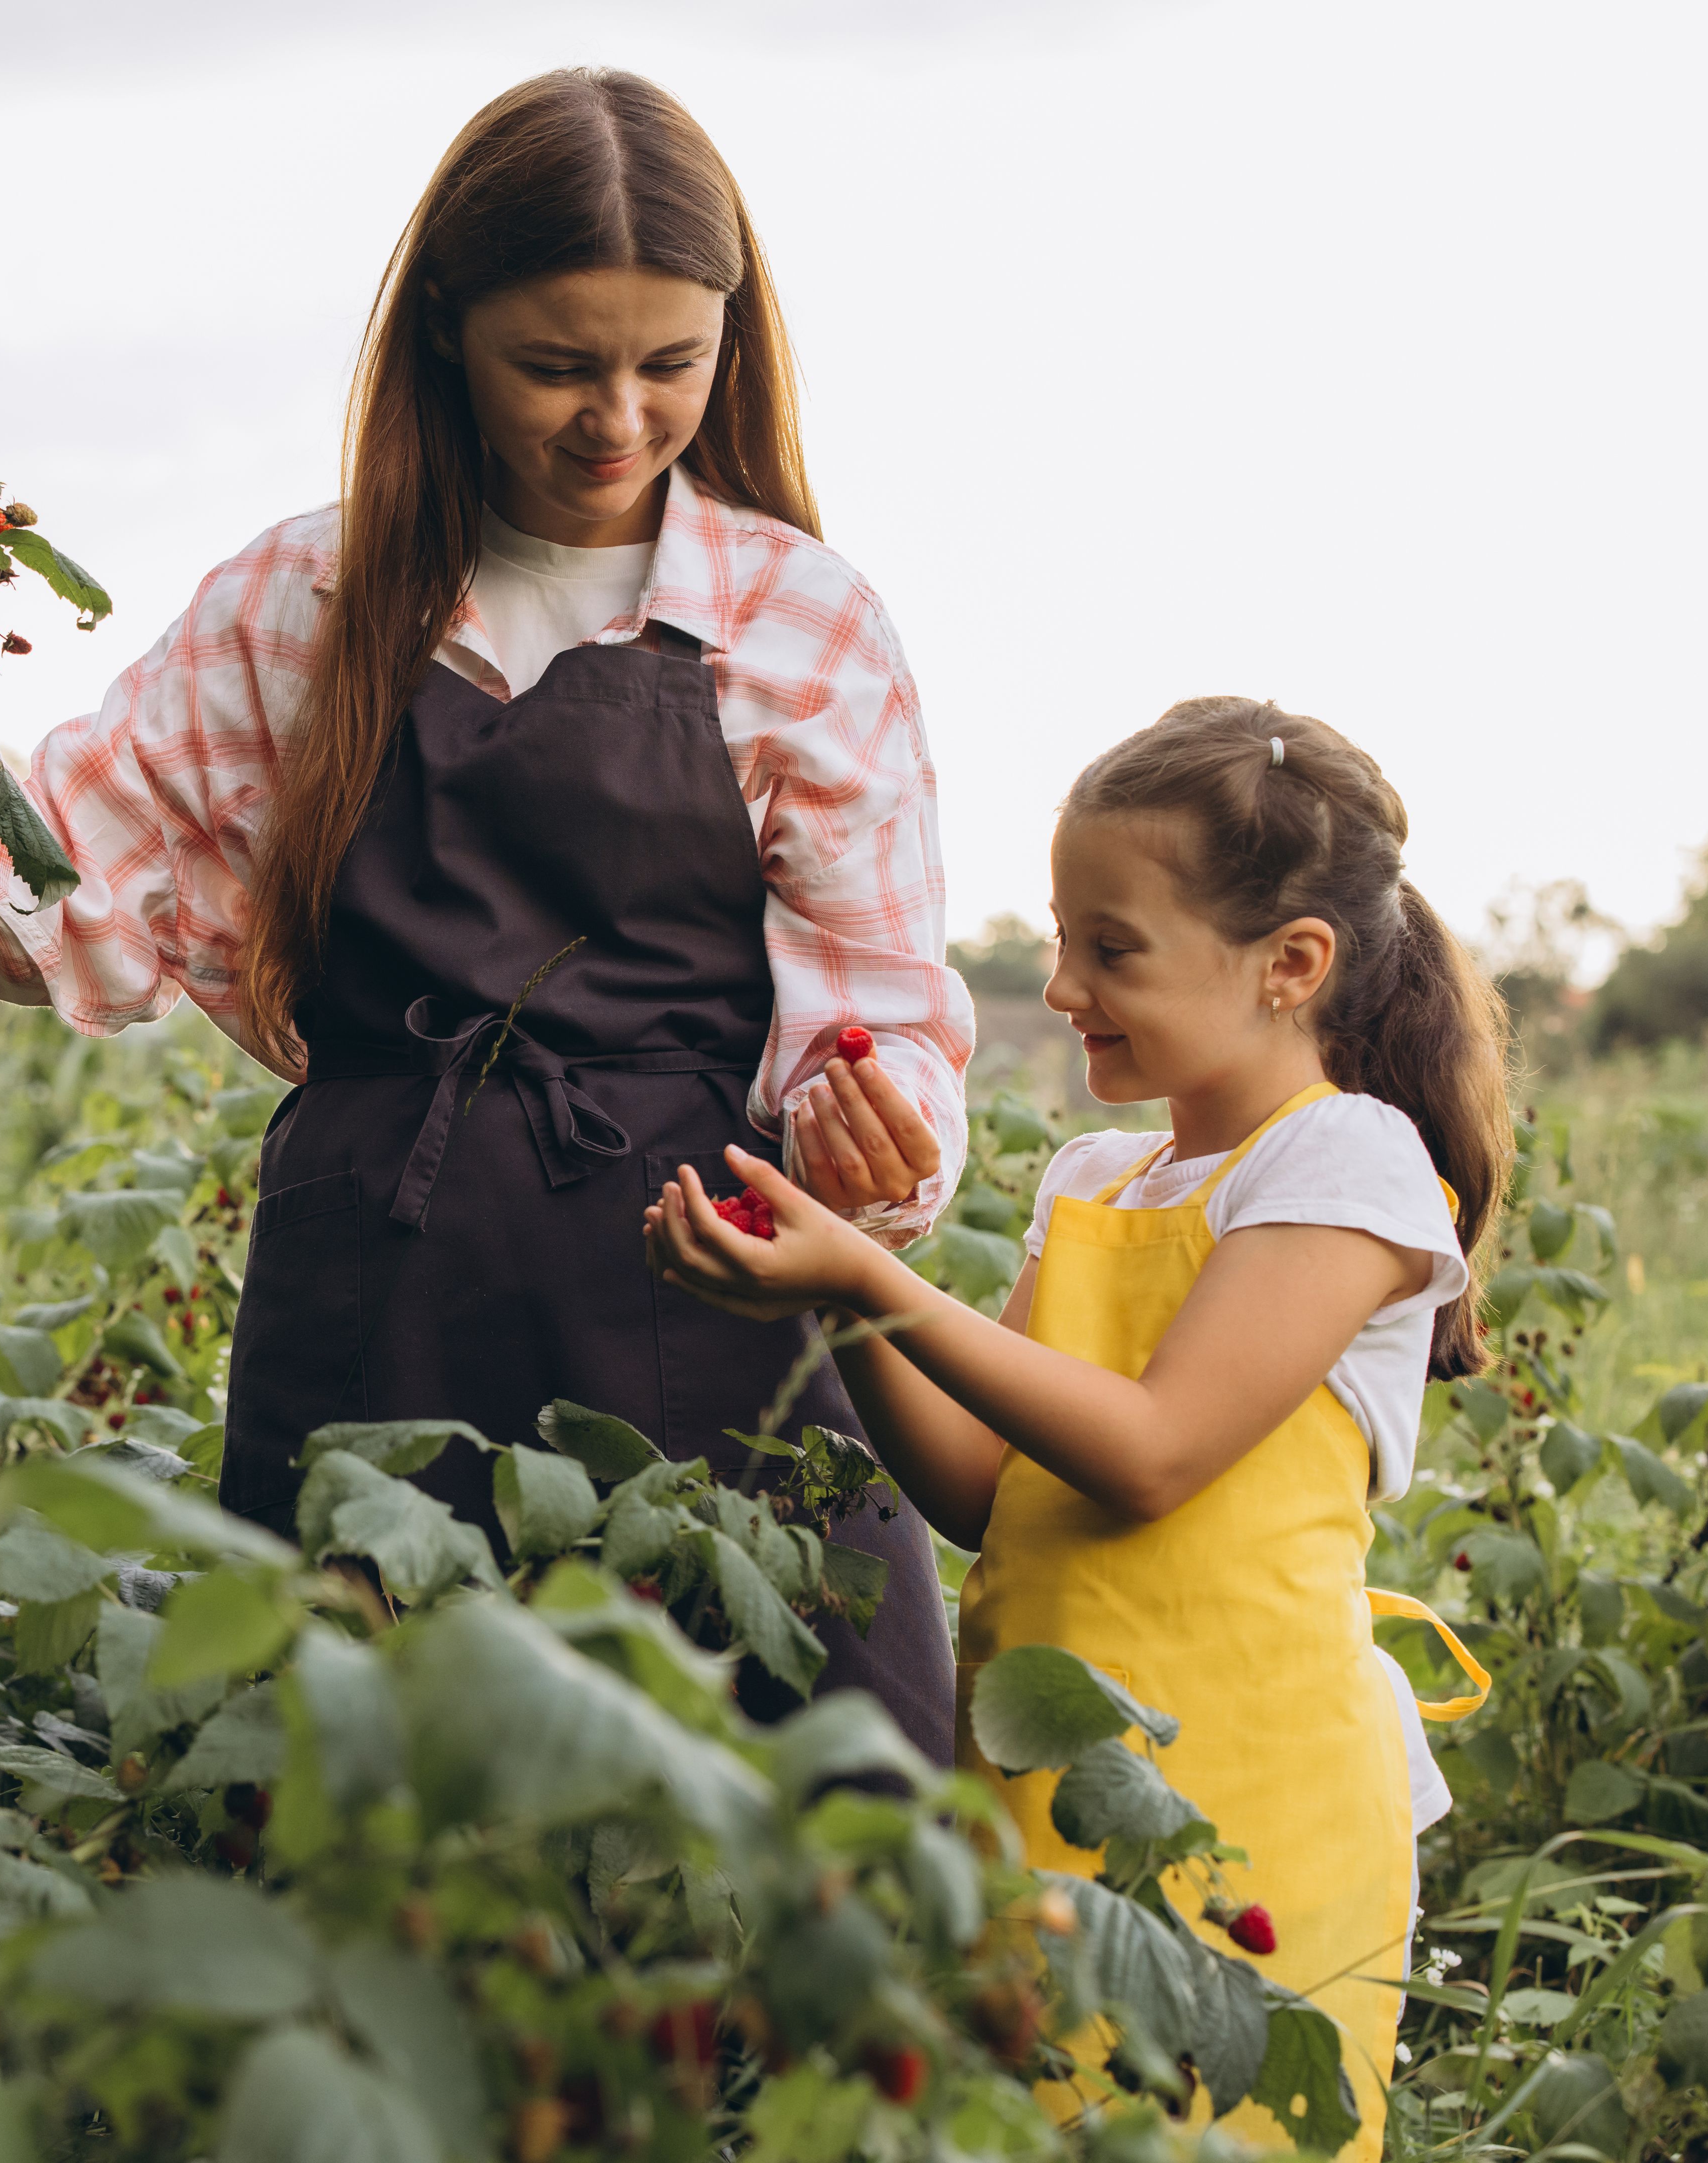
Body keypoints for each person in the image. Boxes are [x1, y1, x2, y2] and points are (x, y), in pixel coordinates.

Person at [0, 68, 974, 1760]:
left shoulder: (804, 620)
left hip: (708, 1295)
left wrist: (880, 1136)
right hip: (384, 1291)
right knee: (370, 1830)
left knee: (812, 1834)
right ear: (447, 329)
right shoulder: (304, 599)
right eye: (559, 365)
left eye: (672, 363)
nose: (620, 418)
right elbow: (45, 908)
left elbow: (878, 1008)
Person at [644, 696, 1507, 2155]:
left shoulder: (1347, 1161)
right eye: (1060, 936)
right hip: (1048, 1771)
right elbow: (987, 1490)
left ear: (1292, 967)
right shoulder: (1100, 1176)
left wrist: (867, 1273)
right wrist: (840, 1279)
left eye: (1112, 947)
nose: (1059, 985)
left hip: (1251, 1792)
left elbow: (1151, 1450)